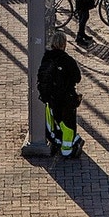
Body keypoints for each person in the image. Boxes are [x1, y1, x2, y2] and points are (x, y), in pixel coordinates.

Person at [37, 30, 84, 158]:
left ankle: (61, 141)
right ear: (64, 44)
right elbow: (77, 77)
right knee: (68, 125)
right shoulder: (67, 60)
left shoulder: (46, 58)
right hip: (66, 99)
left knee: (58, 122)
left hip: (51, 99)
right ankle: (67, 149)